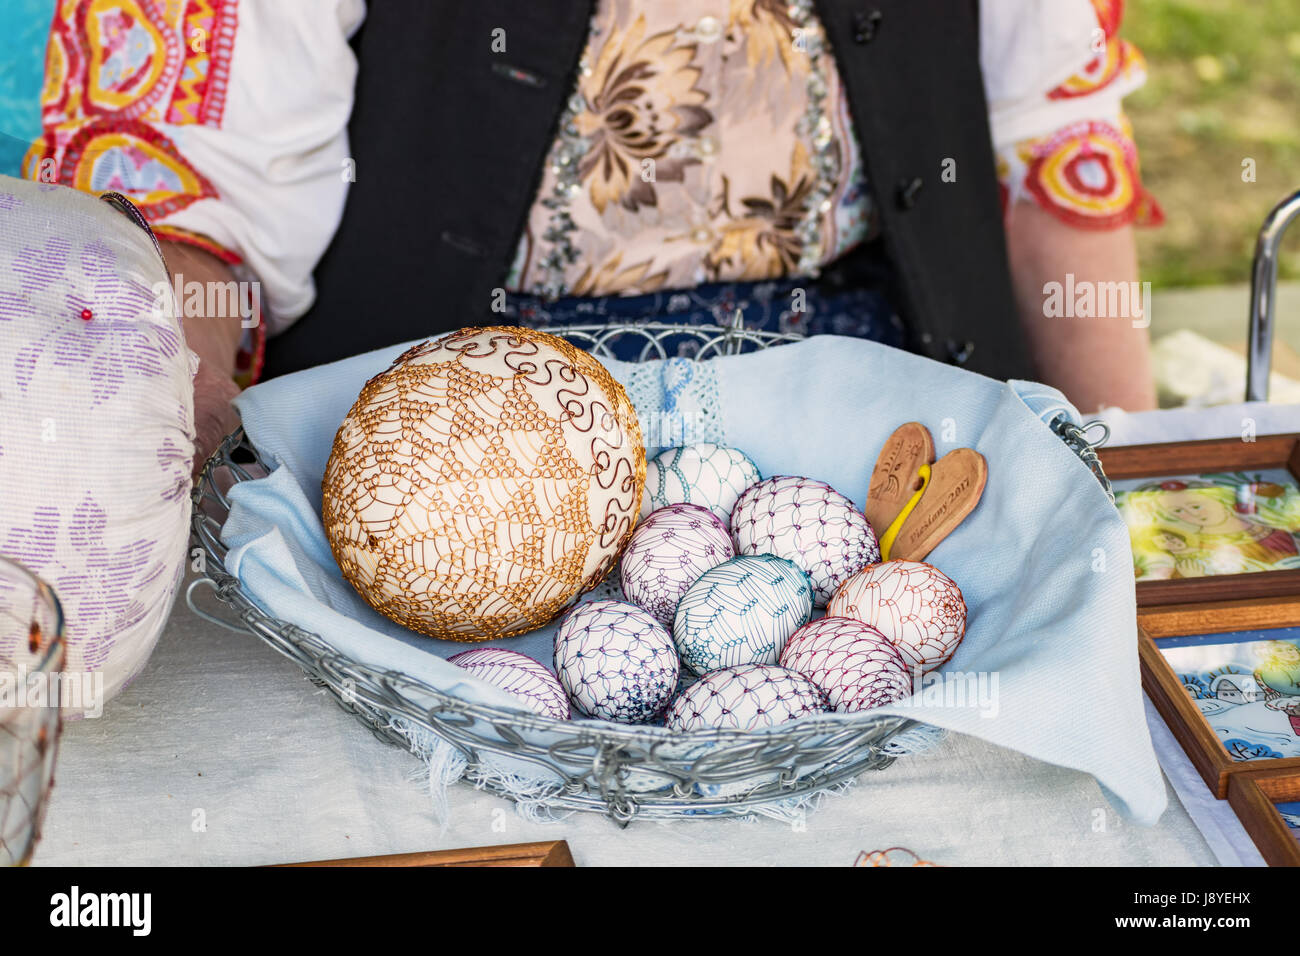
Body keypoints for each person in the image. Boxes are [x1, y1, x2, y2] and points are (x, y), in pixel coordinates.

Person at [13, 0, 1163, 471]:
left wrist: (1126, 479)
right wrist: (119, 475)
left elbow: (1053, 147)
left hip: (875, 426)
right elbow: (183, 219)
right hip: (438, 432)